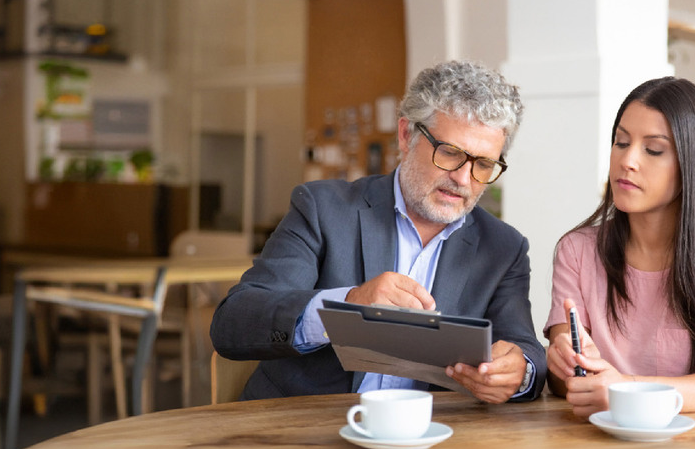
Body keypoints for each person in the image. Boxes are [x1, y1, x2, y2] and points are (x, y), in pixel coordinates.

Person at [212, 60, 545, 403]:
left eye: (483, 164)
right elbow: (234, 322)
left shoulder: (504, 248)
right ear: (406, 135)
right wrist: (347, 305)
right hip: (302, 434)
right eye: (449, 153)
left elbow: (527, 352)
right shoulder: (322, 209)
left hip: (429, 439)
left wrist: (518, 373)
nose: (463, 178)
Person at [544, 76, 695, 418]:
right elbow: (565, 383)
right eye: (621, 142)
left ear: (692, 165)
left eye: (653, 149)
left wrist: (626, 390)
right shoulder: (576, 251)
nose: (628, 161)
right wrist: (565, 366)